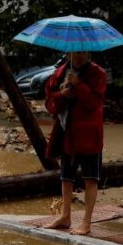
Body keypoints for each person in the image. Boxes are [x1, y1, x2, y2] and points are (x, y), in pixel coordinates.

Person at [42, 51, 108, 235]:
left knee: (90, 178)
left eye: (81, 52)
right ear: (69, 53)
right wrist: (62, 94)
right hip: (67, 131)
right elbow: (50, 102)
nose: (77, 56)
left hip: (88, 134)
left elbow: (94, 103)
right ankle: (65, 216)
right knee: (66, 176)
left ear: (88, 52)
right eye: (74, 52)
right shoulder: (60, 72)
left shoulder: (98, 74)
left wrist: (79, 85)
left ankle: (86, 223)